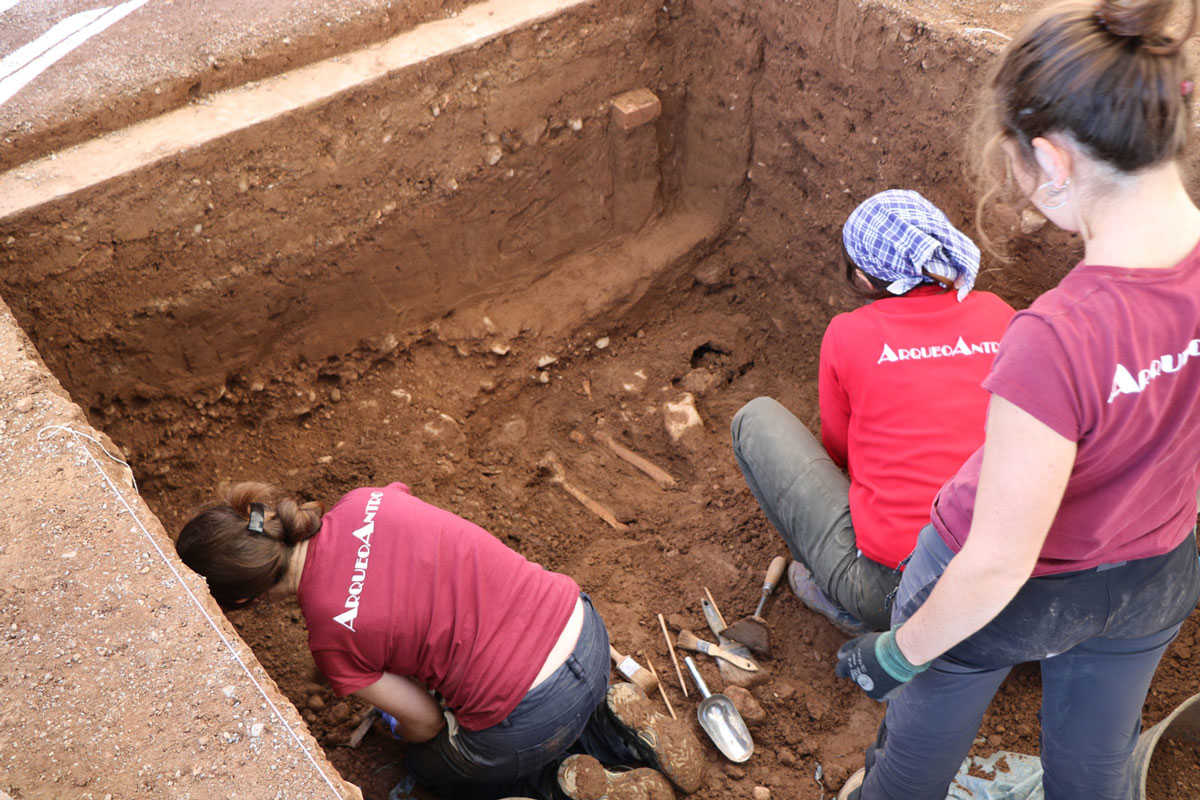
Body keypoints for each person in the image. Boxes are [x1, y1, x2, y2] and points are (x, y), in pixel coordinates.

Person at [833, 1, 1200, 798]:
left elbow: (998, 562)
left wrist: (894, 652)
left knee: (912, 761)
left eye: (1023, 170)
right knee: (1095, 768)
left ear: (1052, 156)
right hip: (1155, 580)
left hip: (1010, 600)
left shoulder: (1059, 337)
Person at [175, 481, 704, 800]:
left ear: (243, 601)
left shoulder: (331, 641)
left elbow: (424, 721)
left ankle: (562, 788)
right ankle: (615, 727)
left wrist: (407, 728)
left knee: (435, 767)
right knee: (529, 708)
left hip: (529, 714)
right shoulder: (366, 501)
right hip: (582, 628)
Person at [731, 190, 1014, 633]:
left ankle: (843, 600)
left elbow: (837, 453)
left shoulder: (849, 334)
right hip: (1014, 584)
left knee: (755, 419)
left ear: (864, 280)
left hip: (898, 591)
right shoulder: (1000, 315)